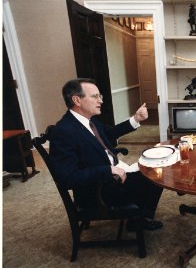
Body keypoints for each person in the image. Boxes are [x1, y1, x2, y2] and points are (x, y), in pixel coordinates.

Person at [50, 78, 164, 231]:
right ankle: (139, 218)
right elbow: (67, 178)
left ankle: (140, 215)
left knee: (156, 164)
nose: (100, 101)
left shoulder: (88, 120)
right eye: (95, 96)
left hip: (111, 174)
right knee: (156, 175)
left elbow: (109, 133)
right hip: (98, 191)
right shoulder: (64, 131)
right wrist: (108, 170)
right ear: (77, 100)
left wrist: (135, 119)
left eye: (100, 96)